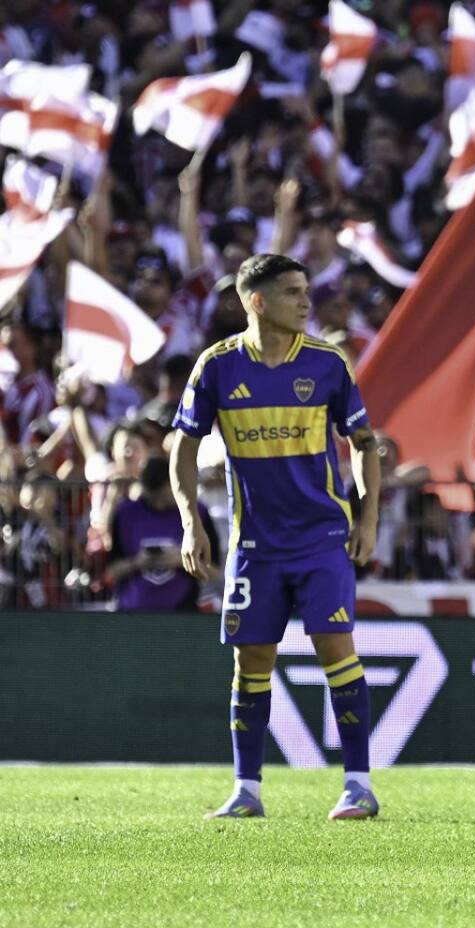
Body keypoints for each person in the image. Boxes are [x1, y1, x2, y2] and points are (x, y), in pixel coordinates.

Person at [169, 254, 381, 821]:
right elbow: (183, 447)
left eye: (306, 290)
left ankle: (359, 785)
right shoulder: (216, 367)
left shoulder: (328, 365)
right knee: (251, 659)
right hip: (254, 544)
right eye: (293, 292)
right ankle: (247, 790)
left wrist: (368, 519)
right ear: (256, 301)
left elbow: (363, 442)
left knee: (336, 648)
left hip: (321, 537)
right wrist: (191, 519)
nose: (306, 302)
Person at [108, 455, 219, 611]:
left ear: (174, 485)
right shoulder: (126, 513)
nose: (159, 504)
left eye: (163, 497)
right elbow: (112, 571)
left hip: (182, 612)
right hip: (132, 612)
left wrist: (182, 561)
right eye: (152, 499)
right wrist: (137, 563)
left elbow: (214, 570)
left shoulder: (197, 513)